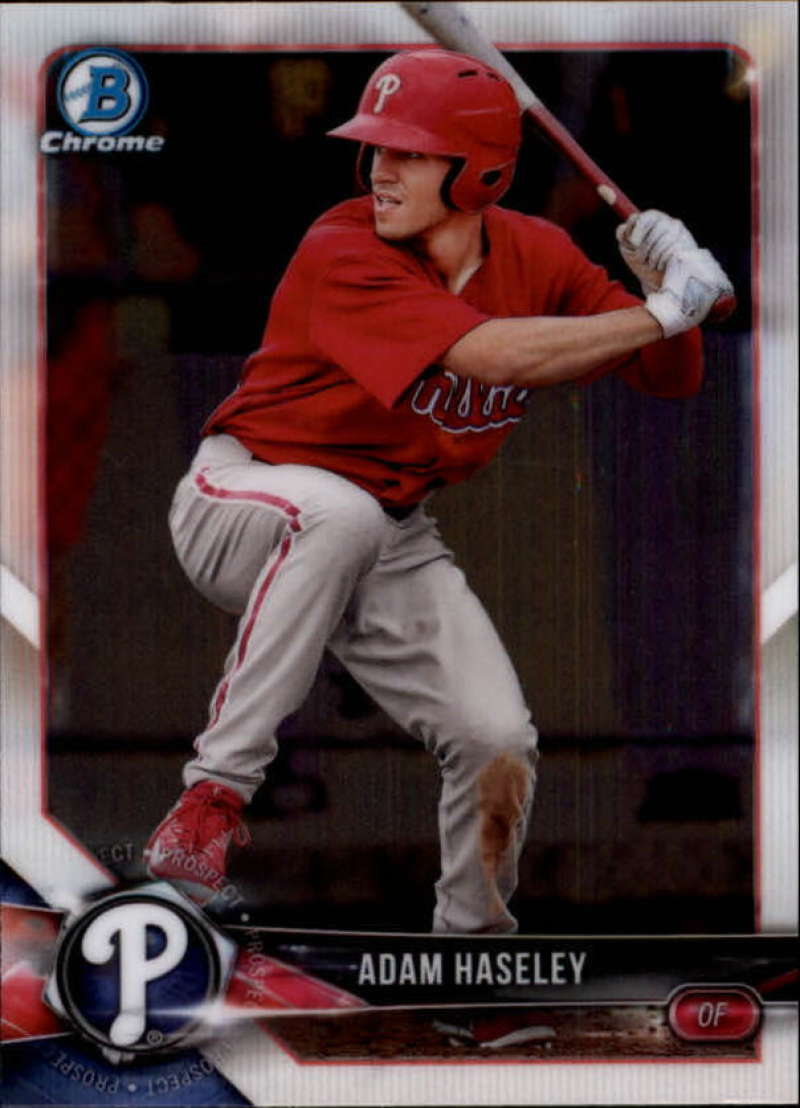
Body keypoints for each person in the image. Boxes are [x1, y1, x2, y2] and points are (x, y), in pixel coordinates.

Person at [144, 49, 733, 933]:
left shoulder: (536, 253)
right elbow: (490, 355)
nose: (379, 169)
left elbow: (667, 375)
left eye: (410, 153)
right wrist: (664, 310)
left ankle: (473, 947)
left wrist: (665, 292)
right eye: (376, 147)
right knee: (338, 513)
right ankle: (211, 801)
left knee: (497, 740)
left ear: (482, 173)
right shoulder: (341, 246)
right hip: (243, 499)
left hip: (387, 533)